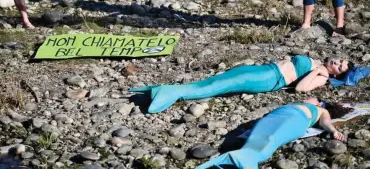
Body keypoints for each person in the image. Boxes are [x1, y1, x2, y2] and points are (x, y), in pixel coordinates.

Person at [129, 56, 354, 113]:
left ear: (337, 74)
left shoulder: (322, 76)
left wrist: (316, 71)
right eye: (340, 60)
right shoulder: (318, 62)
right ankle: (160, 90)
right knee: (214, 81)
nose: (337, 62)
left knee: (216, 87)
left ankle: (168, 94)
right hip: (262, 69)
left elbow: (301, 89)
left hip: (266, 79)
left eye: (340, 67)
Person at [196, 97, 351, 169]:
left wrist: (333, 131)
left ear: (318, 102)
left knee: (271, 138)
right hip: (275, 117)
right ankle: (239, 158)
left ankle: (242, 160)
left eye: (314, 97)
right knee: (259, 136)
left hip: (297, 119)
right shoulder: (297, 103)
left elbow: (325, 122)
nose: (309, 97)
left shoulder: (320, 109)